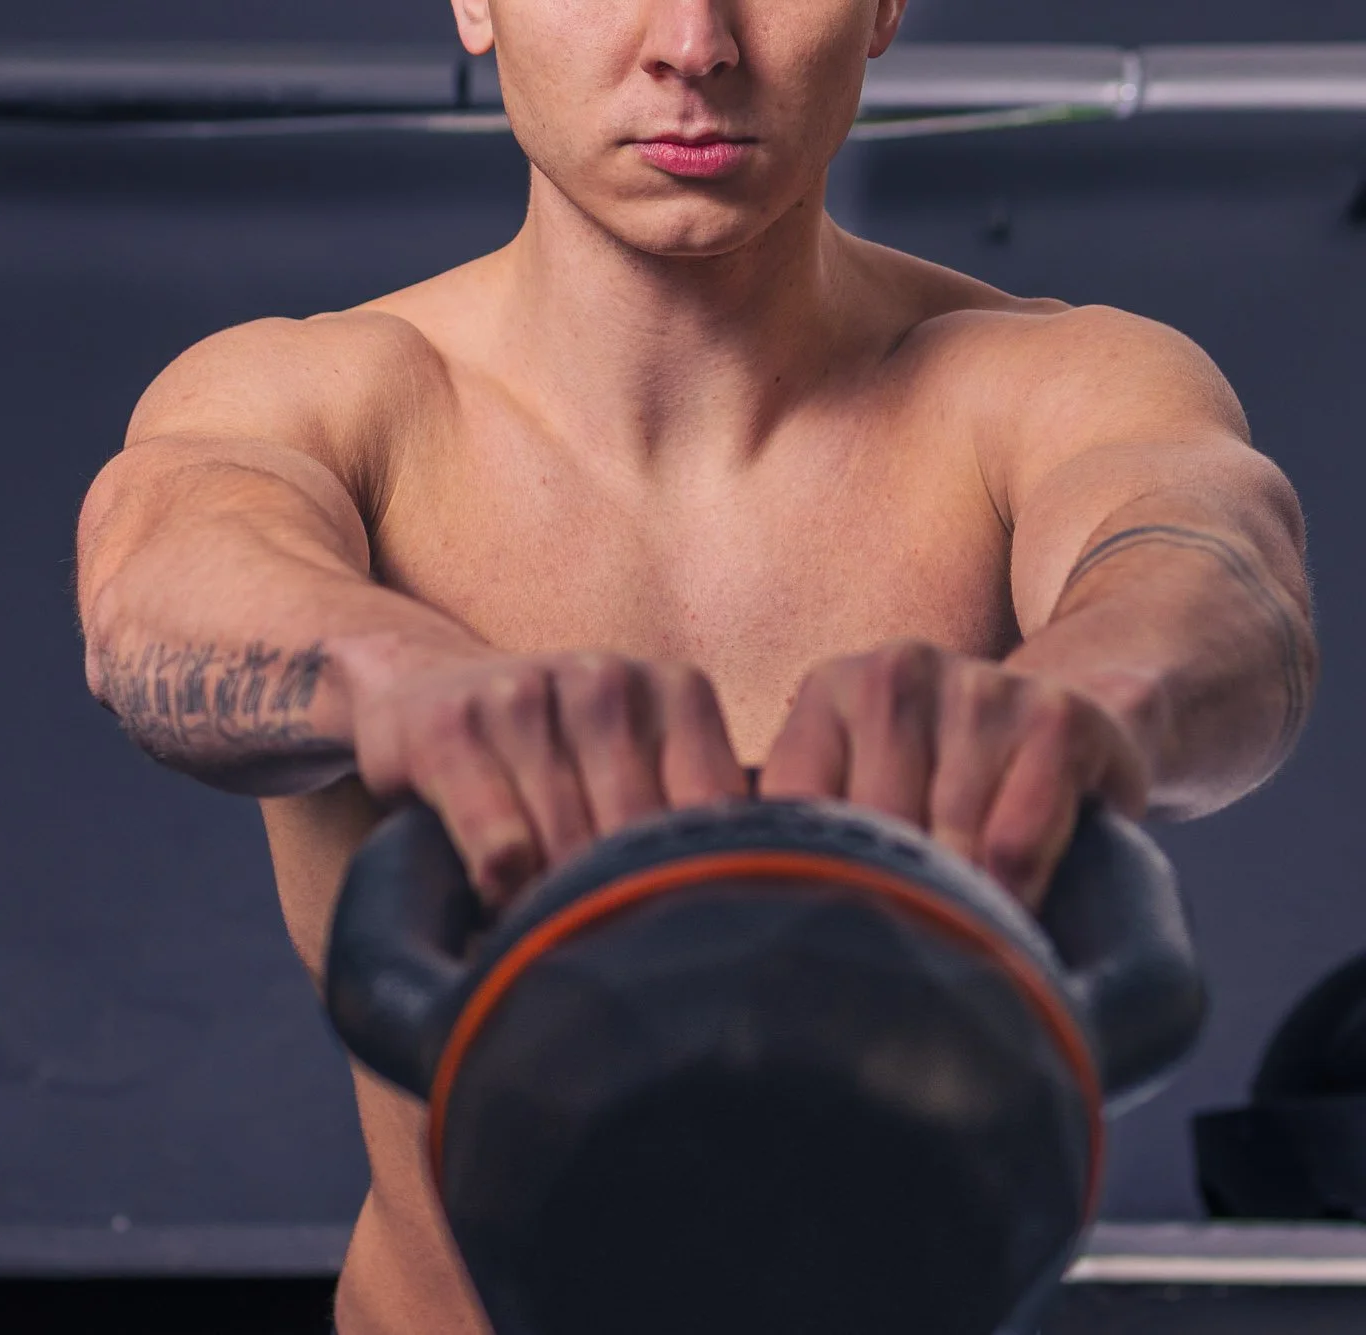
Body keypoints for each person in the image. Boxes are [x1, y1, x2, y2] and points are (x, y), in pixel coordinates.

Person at [73, 1, 1319, 1330]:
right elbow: (159, 577)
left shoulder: (1053, 384)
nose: (694, 43)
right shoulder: (313, 396)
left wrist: (1075, 709)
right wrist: (410, 684)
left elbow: (1217, 569)